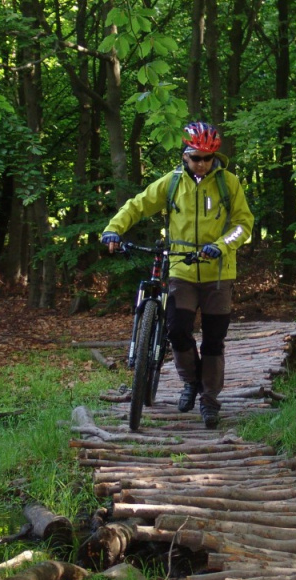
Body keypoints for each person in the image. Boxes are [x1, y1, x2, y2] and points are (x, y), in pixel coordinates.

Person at [101, 122, 254, 428]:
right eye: (197, 157)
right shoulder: (171, 184)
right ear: (185, 155)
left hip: (219, 273)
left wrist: (221, 246)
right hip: (182, 270)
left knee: (213, 340)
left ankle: (210, 401)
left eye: (208, 158)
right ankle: (191, 382)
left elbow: (243, 224)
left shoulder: (229, 183)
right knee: (177, 330)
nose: (202, 163)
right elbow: (137, 205)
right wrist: (113, 230)